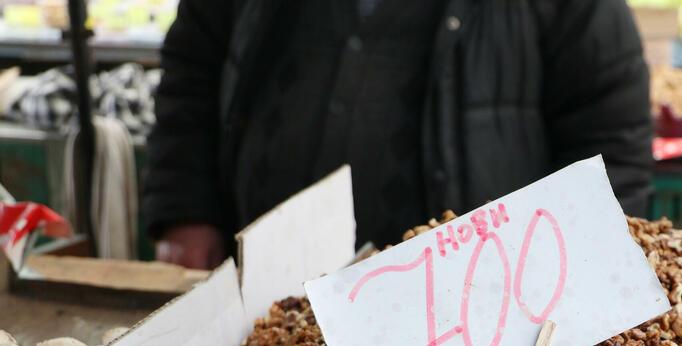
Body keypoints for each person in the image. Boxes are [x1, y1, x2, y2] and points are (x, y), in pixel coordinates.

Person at [146, 1, 653, 270]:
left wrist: (587, 269)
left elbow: (609, 128)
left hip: (470, 309)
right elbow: (193, 68)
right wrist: (185, 210)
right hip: (263, 277)